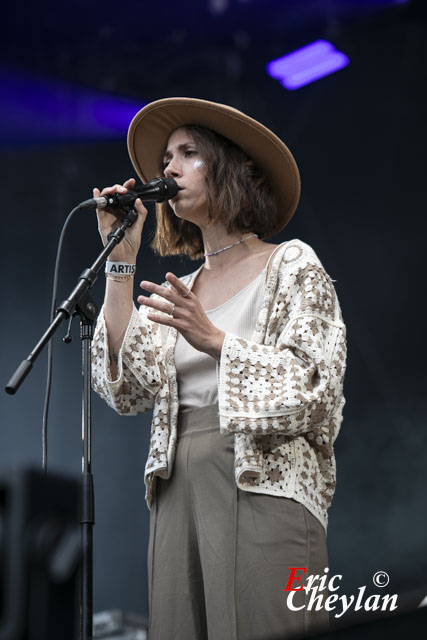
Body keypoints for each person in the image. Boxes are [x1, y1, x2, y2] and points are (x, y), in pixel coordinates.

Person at [91, 98, 347, 640]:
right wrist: (122, 258)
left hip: (264, 488)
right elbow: (126, 389)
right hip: (177, 491)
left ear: (229, 167)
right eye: (165, 158)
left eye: (189, 153)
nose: (168, 169)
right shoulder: (185, 291)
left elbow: (315, 387)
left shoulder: (291, 263)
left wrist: (212, 340)